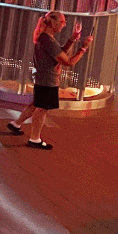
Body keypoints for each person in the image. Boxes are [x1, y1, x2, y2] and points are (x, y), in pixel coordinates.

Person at [7, 11, 92, 149]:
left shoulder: (45, 38)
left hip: (43, 77)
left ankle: (16, 124)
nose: (64, 25)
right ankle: (35, 139)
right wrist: (84, 47)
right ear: (53, 23)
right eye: (62, 22)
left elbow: (59, 53)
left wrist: (72, 39)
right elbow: (69, 61)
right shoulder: (47, 40)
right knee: (42, 109)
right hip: (48, 80)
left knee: (36, 104)